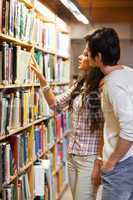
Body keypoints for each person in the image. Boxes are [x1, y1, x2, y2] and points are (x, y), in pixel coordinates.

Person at [30, 42, 105, 200]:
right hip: (72, 156)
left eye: (85, 54)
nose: (79, 57)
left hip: (89, 158)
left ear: (95, 60)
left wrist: (99, 161)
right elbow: (55, 105)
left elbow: (105, 127)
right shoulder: (81, 85)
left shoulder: (102, 88)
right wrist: (42, 80)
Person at [85, 27, 133, 200]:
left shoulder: (112, 85)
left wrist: (111, 161)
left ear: (98, 57)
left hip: (121, 164)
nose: (86, 55)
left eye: (88, 52)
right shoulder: (127, 73)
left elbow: (129, 129)